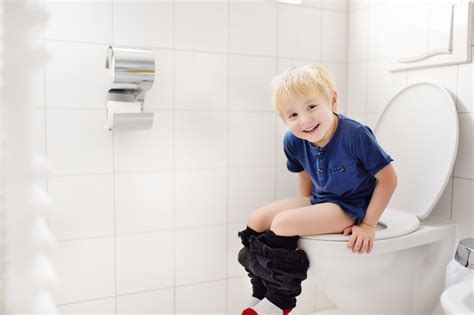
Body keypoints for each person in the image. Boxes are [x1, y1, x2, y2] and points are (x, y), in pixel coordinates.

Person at [237, 64, 398, 315]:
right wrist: (307, 210)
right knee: (257, 219)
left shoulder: (355, 135)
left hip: (351, 206)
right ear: (284, 119)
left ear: (332, 100)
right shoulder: (293, 140)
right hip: (321, 199)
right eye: (293, 115)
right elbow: (303, 172)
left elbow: (388, 179)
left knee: (283, 224)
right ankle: (261, 290)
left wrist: (368, 225)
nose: (305, 120)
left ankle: (281, 300)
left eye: (311, 107)